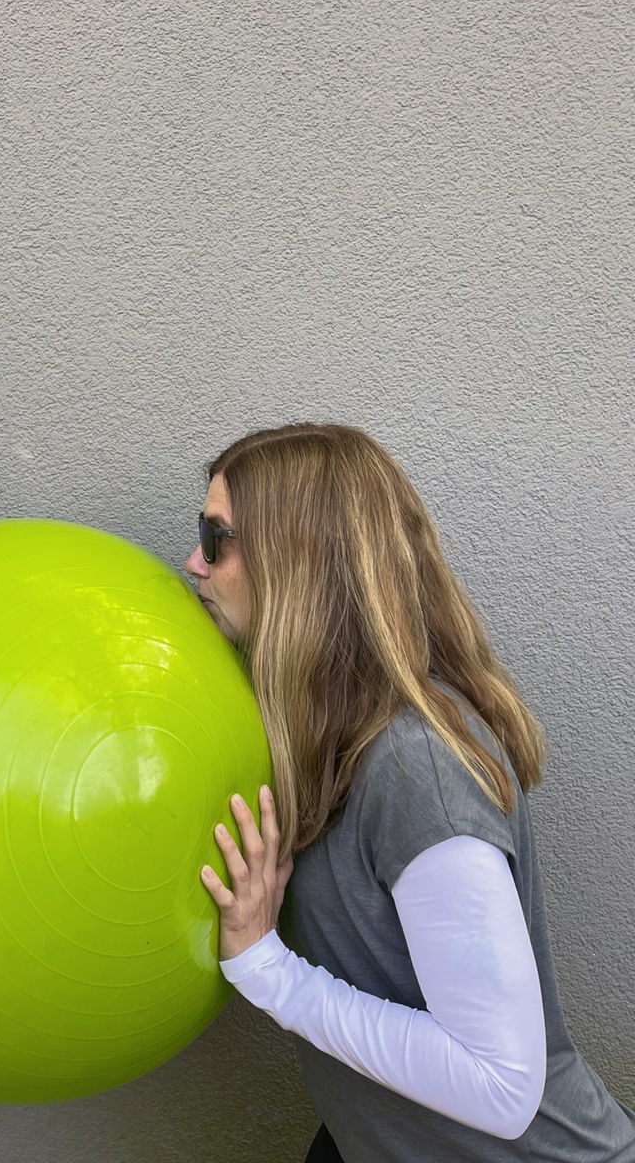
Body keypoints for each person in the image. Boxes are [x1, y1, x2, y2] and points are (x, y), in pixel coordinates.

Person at [188, 423, 635, 1163]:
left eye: (218, 537)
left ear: (301, 560)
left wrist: (266, 967)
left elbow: (501, 1081)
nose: (194, 563)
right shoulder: (318, 732)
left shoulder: (413, 768)